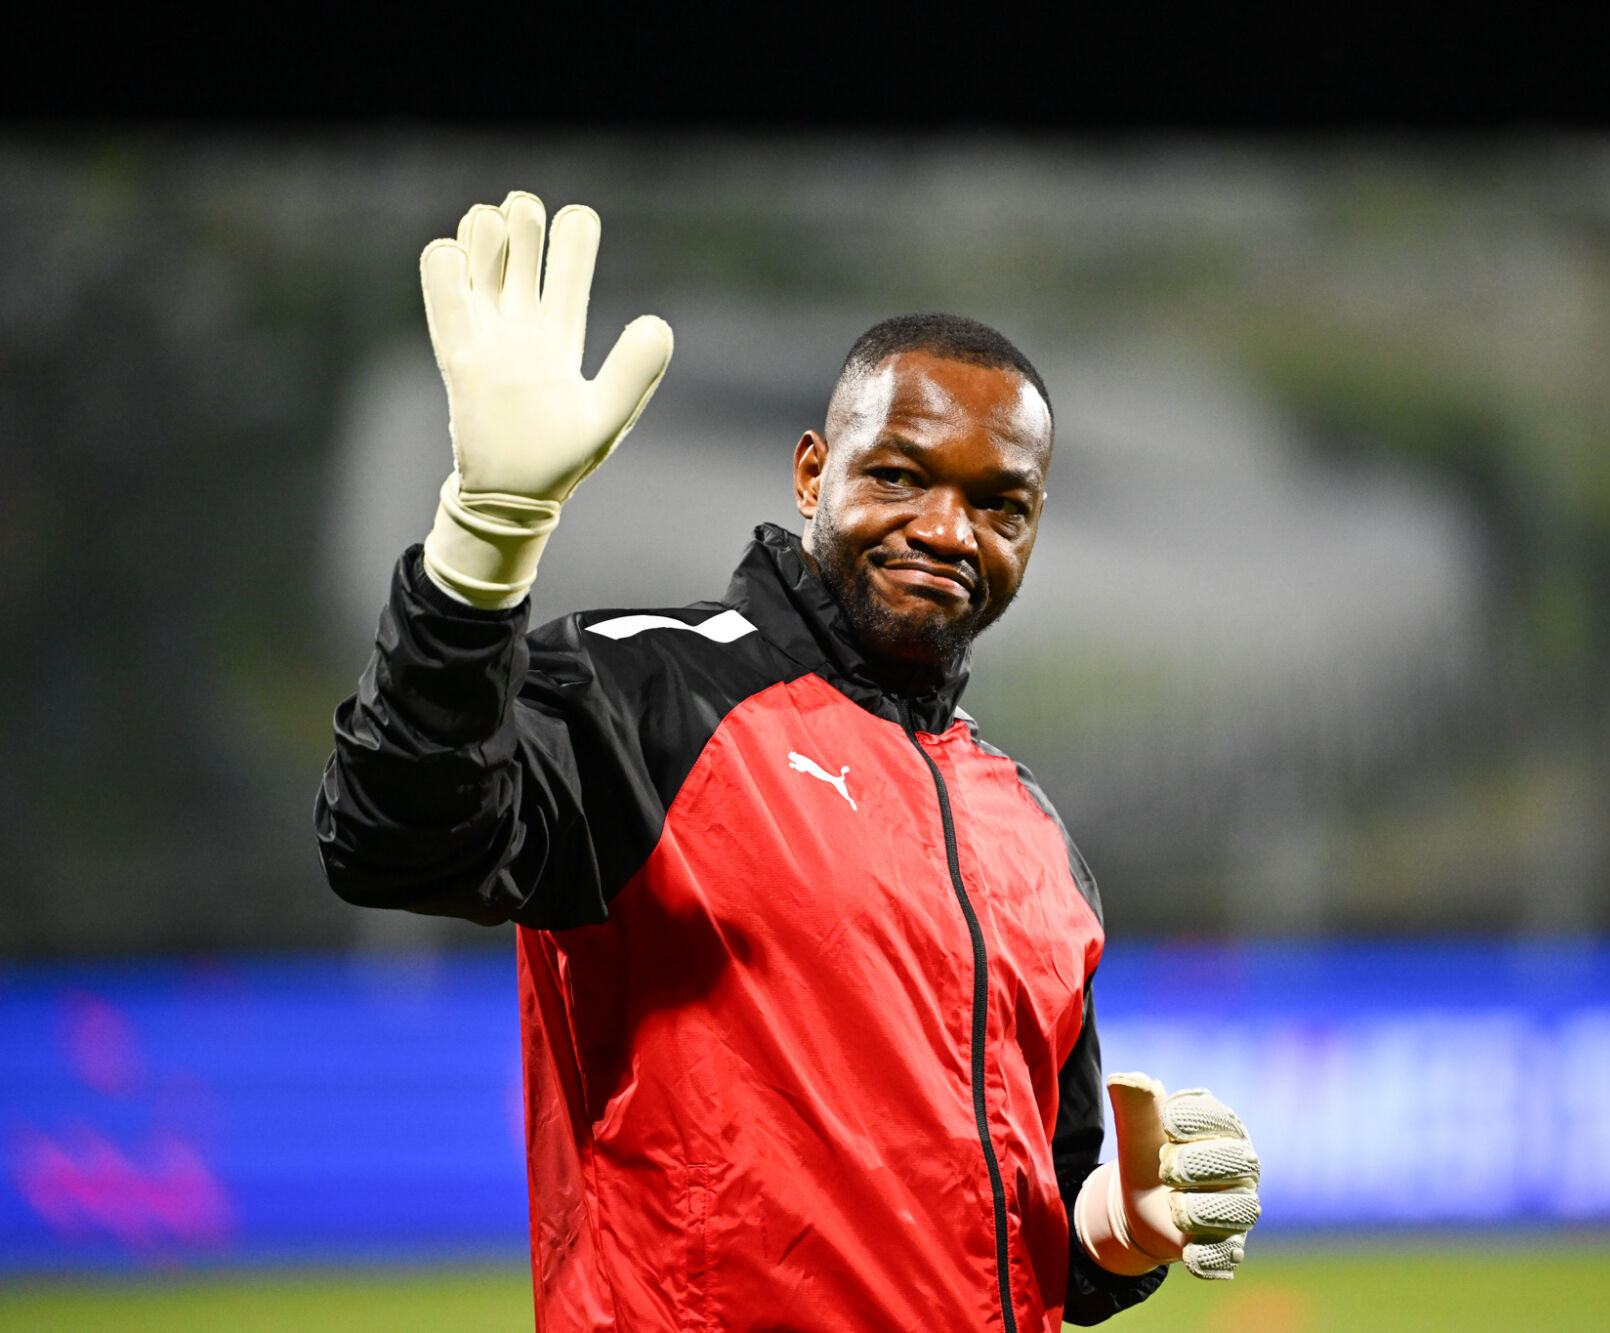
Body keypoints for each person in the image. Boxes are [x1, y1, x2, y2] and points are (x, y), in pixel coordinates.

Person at [315, 191, 1261, 1331]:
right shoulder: (647, 697)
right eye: (899, 476)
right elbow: (393, 837)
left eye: (998, 503)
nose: (948, 530)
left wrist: (1117, 1224)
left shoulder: (1035, 838)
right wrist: (485, 537)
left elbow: (1029, 1230)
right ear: (813, 474)